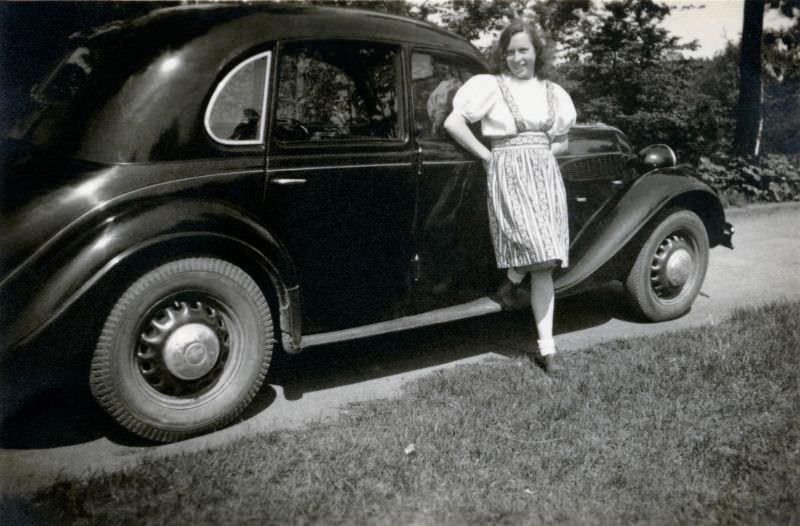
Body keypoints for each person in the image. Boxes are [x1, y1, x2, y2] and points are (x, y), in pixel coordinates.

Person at [443, 19, 576, 374]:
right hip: (507, 171)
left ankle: (547, 348)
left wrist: (548, 150)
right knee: (538, 246)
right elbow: (453, 124)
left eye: (524, 50)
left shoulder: (554, 93)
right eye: (512, 51)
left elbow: (563, 139)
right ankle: (513, 281)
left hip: (545, 177)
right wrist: (487, 156)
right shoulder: (490, 87)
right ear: (504, 55)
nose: (518, 58)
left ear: (537, 52)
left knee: (545, 258)